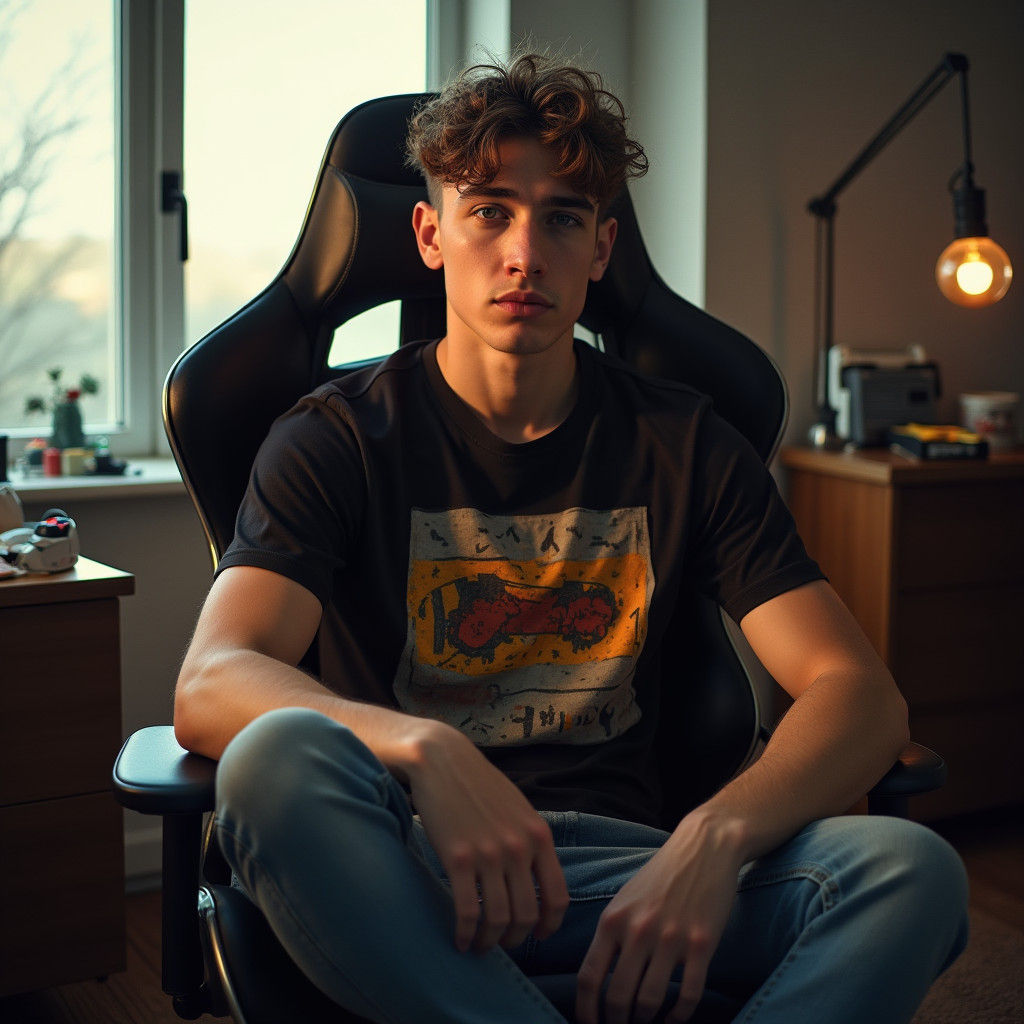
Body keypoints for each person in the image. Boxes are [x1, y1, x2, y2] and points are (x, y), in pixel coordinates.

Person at [174, 53, 968, 1024]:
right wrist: (425, 749)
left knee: (909, 871)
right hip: (402, 878)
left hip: (633, 882)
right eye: (489, 211)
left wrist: (713, 839)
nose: (524, 253)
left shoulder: (686, 444)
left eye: (561, 218)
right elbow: (212, 681)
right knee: (271, 763)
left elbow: (861, 697)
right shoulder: (336, 438)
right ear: (430, 234)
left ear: (600, 246)